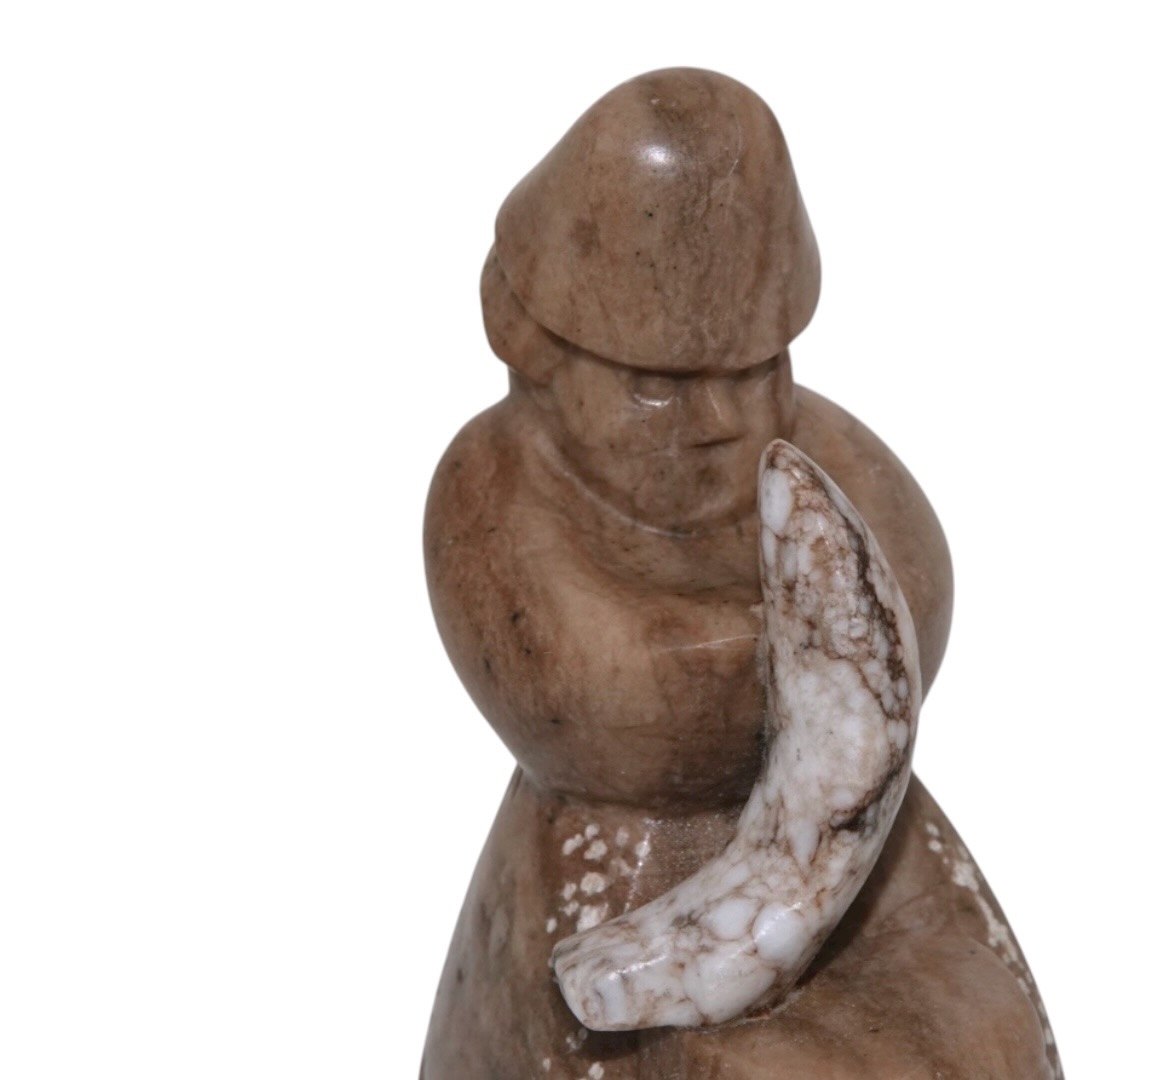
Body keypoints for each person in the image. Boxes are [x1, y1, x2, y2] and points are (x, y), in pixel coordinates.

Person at [421, 68, 1059, 1079]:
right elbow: (597, 707)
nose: (723, 420)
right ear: (536, 353)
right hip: (633, 860)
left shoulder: (811, 450)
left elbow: (915, 589)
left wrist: (831, 682)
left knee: (982, 1032)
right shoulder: (498, 476)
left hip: (852, 837)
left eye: (757, 372)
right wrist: (809, 646)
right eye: (660, 387)